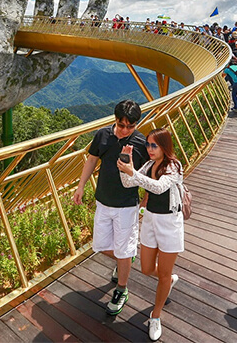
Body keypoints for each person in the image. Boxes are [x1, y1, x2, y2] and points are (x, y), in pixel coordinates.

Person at [72, 100, 149, 316]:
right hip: (103, 200)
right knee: (100, 245)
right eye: (121, 124)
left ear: (136, 124)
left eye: (130, 126)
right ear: (115, 120)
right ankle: (125, 259)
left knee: (123, 250)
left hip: (126, 205)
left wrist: (145, 197)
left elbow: (149, 175)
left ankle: (121, 289)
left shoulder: (141, 143)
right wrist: (81, 186)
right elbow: (91, 160)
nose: (125, 130)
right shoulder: (103, 135)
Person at [117, 127, 184, 341]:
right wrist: (126, 164)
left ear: (165, 146)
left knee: (162, 274)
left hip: (170, 223)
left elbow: (158, 188)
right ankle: (169, 279)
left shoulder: (174, 166)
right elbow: (127, 182)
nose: (150, 149)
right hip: (151, 220)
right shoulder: (148, 165)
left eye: (154, 145)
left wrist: (132, 172)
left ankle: (156, 316)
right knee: (146, 269)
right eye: (147, 145)